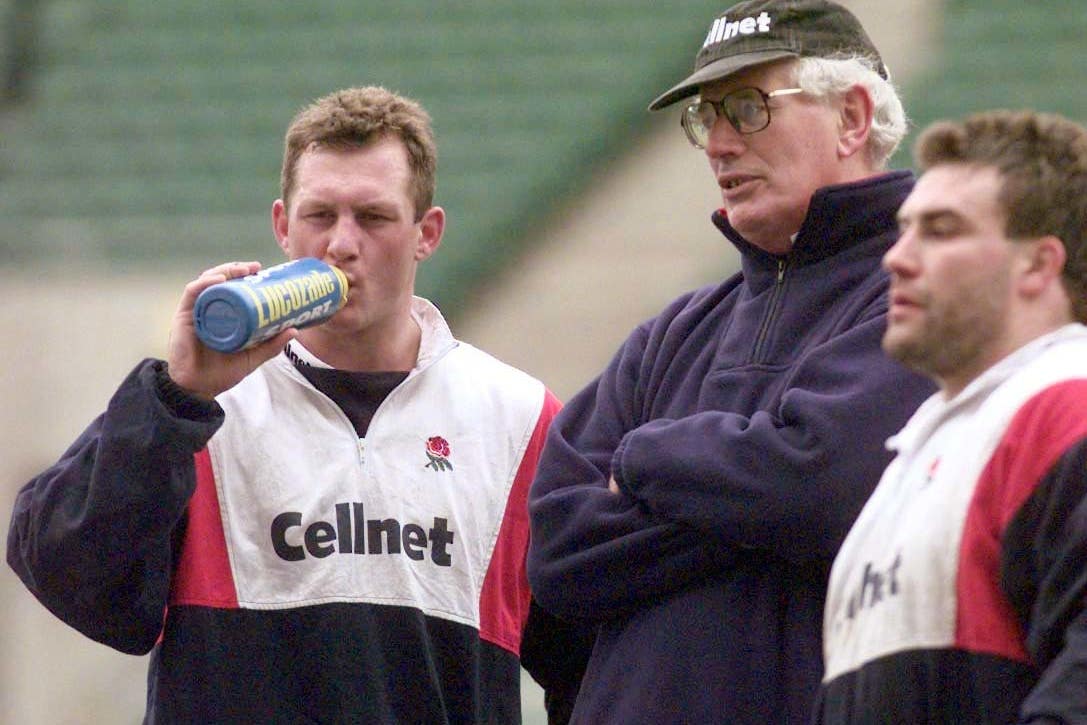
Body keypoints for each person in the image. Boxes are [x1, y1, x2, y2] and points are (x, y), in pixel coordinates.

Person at [6, 85, 564, 723]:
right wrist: (174, 397)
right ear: (282, 225)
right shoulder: (201, 409)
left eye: (374, 217)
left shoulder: (518, 417)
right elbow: (62, 573)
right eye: (320, 215)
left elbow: (588, 660)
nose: (342, 244)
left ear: (425, 234)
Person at [523, 1, 937, 722]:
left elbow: (818, 481)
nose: (716, 143)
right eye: (704, 117)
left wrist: (645, 458)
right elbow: (558, 553)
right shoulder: (671, 333)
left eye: (744, 107)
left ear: (852, 117)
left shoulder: (919, 298)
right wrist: (751, 500)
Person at [816, 110, 1087, 723]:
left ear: (1039, 265)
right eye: (904, 228)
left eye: (940, 231)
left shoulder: (1064, 408)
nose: (897, 258)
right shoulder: (919, 451)